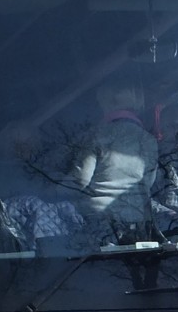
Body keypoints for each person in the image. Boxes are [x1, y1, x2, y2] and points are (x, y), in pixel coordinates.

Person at [68, 76, 160, 243]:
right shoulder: (149, 140)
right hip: (138, 218)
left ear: (105, 103)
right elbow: (148, 182)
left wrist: (53, 190)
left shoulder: (95, 136)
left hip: (100, 221)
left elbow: (80, 181)